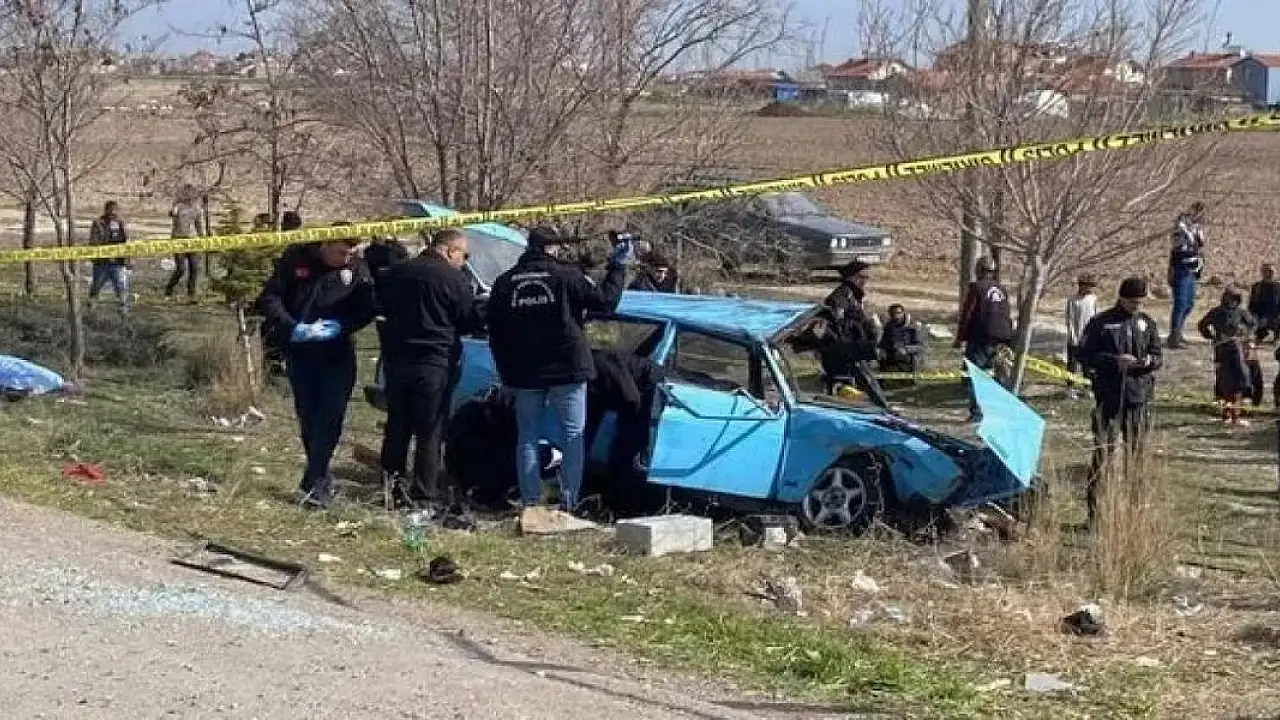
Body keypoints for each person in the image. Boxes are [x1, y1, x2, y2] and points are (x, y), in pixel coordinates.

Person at [486, 225, 630, 514]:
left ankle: (530, 502)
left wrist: (505, 371)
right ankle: (568, 501)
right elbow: (605, 302)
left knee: (527, 436)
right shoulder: (567, 276)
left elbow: (495, 331)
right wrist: (617, 267)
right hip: (568, 368)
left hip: (525, 371)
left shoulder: (505, 282)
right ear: (551, 248)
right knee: (573, 435)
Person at [255, 224, 377, 509]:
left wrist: (341, 326)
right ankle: (319, 477)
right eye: (340, 252)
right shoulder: (297, 258)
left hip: (337, 352)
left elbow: (367, 308)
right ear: (325, 245)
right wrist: (291, 327)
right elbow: (271, 297)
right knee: (309, 417)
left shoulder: (356, 269)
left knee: (331, 415)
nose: (345, 258)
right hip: (301, 351)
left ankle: (314, 481)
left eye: (350, 253)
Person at [375, 229, 484, 510]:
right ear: (450, 250)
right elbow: (467, 320)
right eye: (464, 255)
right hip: (435, 361)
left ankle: (391, 488)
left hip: (397, 360)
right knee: (430, 430)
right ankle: (423, 494)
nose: (464, 261)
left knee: (397, 426)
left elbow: (381, 308)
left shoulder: (397, 273)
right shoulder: (453, 279)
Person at [1080, 276, 1162, 527]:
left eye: (1140, 302)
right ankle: (1096, 516)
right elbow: (1085, 354)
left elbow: (1157, 354)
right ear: (1122, 298)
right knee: (1103, 455)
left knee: (1136, 457)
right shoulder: (1101, 323)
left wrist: (1148, 361)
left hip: (1138, 399)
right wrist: (1114, 361)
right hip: (1109, 398)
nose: (1137, 306)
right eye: (1133, 302)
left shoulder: (1147, 323)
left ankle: (1134, 516)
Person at [585, 348, 664, 481]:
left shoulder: (602, 368)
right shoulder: (588, 371)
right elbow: (592, 416)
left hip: (649, 385)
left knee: (627, 440)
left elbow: (632, 399)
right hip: (627, 389)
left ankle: (623, 479)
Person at [955, 256, 1015, 422]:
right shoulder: (1002, 290)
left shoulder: (977, 288)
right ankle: (999, 410)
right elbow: (1006, 314)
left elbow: (967, 314)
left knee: (974, 375)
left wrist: (960, 338)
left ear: (979, 270)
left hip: (980, 338)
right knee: (997, 375)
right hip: (1002, 338)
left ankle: (977, 413)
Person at [823, 260, 888, 408]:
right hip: (844, 351)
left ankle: (882, 408)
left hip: (854, 349)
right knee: (851, 386)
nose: (865, 281)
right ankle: (880, 407)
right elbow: (838, 326)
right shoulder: (839, 297)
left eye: (867, 277)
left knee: (867, 383)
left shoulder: (854, 296)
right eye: (862, 277)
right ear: (851, 277)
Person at [1166, 202, 1206, 348]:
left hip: (1192, 270)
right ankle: (1174, 337)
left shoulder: (1196, 228)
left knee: (1189, 304)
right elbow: (1178, 250)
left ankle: (1179, 333)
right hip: (1181, 268)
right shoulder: (1181, 228)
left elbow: (1200, 247)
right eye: (1197, 211)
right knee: (1180, 303)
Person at [164, 184, 207, 302]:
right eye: (187, 193)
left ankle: (191, 294)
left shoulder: (198, 209)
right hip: (178, 240)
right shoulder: (178, 206)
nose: (189, 196)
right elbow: (171, 213)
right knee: (181, 269)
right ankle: (169, 289)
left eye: (192, 194)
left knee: (194, 267)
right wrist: (174, 209)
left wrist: (203, 239)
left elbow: (199, 226)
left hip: (193, 241)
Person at [87, 201, 131, 312]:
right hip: (102, 262)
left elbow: (127, 241)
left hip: (117, 261)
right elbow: (93, 241)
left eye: (114, 211)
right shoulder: (98, 223)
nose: (112, 213)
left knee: (121, 285)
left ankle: (123, 306)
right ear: (105, 210)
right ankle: (91, 305)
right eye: (110, 210)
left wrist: (128, 259)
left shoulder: (121, 223)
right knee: (97, 284)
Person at [1065, 274, 1099, 400]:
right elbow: (1069, 319)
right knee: (1072, 365)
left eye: (1092, 286)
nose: (1090, 289)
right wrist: (1073, 336)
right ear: (1081, 285)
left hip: (1089, 338)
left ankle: (1087, 388)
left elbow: (1095, 317)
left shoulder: (1093, 299)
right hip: (1075, 338)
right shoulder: (1072, 300)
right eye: (1088, 286)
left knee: (1088, 365)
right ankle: (1070, 389)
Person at [1213, 321, 1253, 427]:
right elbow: (1241, 366)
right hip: (1236, 380)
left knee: (1226, 398)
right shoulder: (1236, 348)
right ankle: (1235, 420)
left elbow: (1217, 364)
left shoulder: (1220, 346)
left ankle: (1226, 417)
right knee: (1235, 400)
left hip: (1223, 379)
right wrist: (1247, 383)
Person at [877, 304, 925, 375]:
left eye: (898, 313)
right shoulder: (889, 326)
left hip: (907, 359)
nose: (896, 315)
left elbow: (920, 346)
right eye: (893, 313)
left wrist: (906, 349)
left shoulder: (912, 327)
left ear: (903, 313)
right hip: (891, 358)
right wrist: (881, 350)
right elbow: (883, 343)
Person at [1248, 263, 1280, 343]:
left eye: (1271, 271)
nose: (1269, 273)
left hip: (1274, 317)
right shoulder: (1256, 286)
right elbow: (1252, 305)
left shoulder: (1278, 287)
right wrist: (1255, 316)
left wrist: (1269, 318)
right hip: (1260, 317)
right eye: (1266, 271)